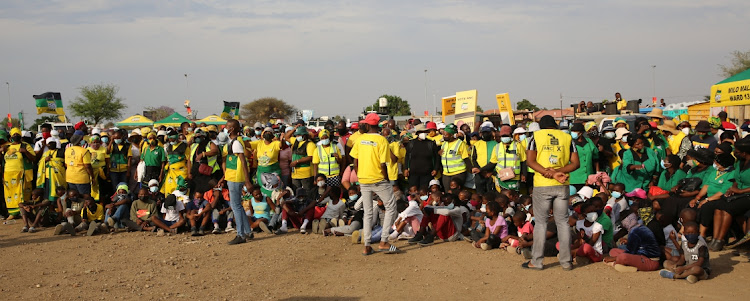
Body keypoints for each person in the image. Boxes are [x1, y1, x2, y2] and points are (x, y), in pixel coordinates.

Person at [523, 115, 580, 271]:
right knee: (562, 222)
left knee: (541, 223)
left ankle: (537, 261)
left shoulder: (536, 136)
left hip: (542, 185)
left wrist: (549, 173)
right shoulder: (567, 137)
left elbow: (530, 161)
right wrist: (558, 172)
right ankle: (566, 262)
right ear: (554, 126)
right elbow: (575, 163)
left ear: (541, 126)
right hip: (562, 184)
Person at [351, 113, 399, 255]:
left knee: (368, 212)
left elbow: (355, 161)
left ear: (367, 124)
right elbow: (383, 163)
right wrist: (386, 179)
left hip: (364, 179)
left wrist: (360, 176)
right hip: (378, 178)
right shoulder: (382, 140)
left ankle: (367, 245)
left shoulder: (360, 139)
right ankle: (384, 241)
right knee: (391, 207)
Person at [709, 137, 750, 251]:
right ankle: (716, 239)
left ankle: (720, 239)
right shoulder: (740, 163)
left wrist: (740, 191)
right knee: (719, 205)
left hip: (747, 195)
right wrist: (732, 189)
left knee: (728, 208)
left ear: (744, 153)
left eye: (736, 152)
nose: (734, 153)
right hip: (738, 193)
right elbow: (736, 180)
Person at [221, 119, 254, 244]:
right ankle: (247, 231)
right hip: (232, 175)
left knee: (235, 206)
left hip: (236, 177)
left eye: (227, 126)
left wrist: (247, 180)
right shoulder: (233, 142)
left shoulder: (236, 143)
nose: (225, 128)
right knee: (238, 206)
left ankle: (241, 235)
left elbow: (243, 162)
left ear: (233, 129)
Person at [3, 128, 36, 219]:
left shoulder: (25, 146)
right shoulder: (7, 147)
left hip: (22, 173)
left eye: (17, 134)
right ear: (11, 136)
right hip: (8, 174)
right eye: (13, 134)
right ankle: (12, 213)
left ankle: (24, 212)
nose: (15, 136)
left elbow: (34, 158)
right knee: (10, 193)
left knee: (22, 193)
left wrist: (26, 152)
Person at [481, 125, 526, 191]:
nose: (504, 138)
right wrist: (481, 169)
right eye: (502, 136)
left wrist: (524, 174)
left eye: (506, 136)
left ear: (511, 135)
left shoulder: (518, 146)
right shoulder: (497, 147)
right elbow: (492, 163)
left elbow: (523, 161)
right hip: (501, 178)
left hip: (514, 178)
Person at [284, 125, 316, 199]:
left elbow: (310, 157)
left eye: (299, 135)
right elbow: (286, 137)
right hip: (295, 173)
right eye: (296, 135)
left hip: (306, 173)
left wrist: (297, 161)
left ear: (304, 135)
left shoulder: (310, 144)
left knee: (307, 193)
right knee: (296, 192)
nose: (297, 136)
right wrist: (294, 129)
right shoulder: (295, 141)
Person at [404, 124, 439, 189]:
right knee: (413, 191)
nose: (424, 134)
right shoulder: (411, 143)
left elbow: (437, 157)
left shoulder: (431, 144)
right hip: (413, 174)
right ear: (417, 133)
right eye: (422, 132)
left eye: (425, 132)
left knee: (424, 191)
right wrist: (406, 169)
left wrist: (435, 169)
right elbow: (407, 157)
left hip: (427, 174)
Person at [187, 129, 221, 195]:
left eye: (199, 137)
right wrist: (189, 172)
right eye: (196, 137)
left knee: (207, 192)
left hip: (207, 172)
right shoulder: (194, 146)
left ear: (203, 137)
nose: (197, 139)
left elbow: (215, 151)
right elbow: (189, 160)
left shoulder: (209, 143)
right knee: (195, 192)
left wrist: (203, 154)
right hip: (196, 173)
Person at [439, 124, 470, 190]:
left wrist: (471, 169)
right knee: (448, 193)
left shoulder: (460, 144)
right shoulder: (444, 144)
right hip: (446, 173)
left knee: (456, 193)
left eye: (446, 135)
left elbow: (466, 158)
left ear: (452, 135)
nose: (444, 136)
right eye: (443, 134)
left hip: (458, 173)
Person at [570, 123, 599, 191]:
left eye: (575, 131)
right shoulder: (570, 142)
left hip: (588, 177)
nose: (573, 133)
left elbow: (596, 158)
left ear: (581, 133)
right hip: (574, 178)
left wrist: (597, 172)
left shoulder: (589, 142)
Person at [35, 137, 66, 202]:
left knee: (58, 192)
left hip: (58, 176)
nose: (50, 145)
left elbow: (63, 162)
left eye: (52, 143)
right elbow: (40, 162)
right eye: (48, 144)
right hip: (47, 177)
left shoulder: (61, 151)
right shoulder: (46, 153)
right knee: (48, 194)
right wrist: (45, 160)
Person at [161, 130, 190, 195]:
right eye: (169, 139)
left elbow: (188, 160)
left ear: (176, 137)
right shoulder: (169, 147)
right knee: (169, 189)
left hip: (181, 172)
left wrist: (188, 172)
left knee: (181, 189)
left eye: (172, 139)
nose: (171, 140)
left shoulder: (184, 146)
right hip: (171, 172)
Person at [470, 126, 497, 195]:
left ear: (490, 133)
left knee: (491, 194)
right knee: (480, 194)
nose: (485, 134)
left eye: (487, 133)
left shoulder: (496, 144)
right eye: (484, 133)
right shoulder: (476, 144)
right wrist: (480, 170)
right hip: (479, 174)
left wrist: (491, 172)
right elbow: (473, 158)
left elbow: (497, 160)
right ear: (480, 134)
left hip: (491, 174)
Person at [87, 134, 110, 202]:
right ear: (90, 143)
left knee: (101, 188)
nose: (95, 144)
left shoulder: (103, 149)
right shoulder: (87, 150)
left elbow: (107, 161)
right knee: (92, 187)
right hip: (91, 172)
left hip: (101, 171)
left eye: (97, 142)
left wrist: (108, 171)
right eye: (93, 142)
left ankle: (101, 202)